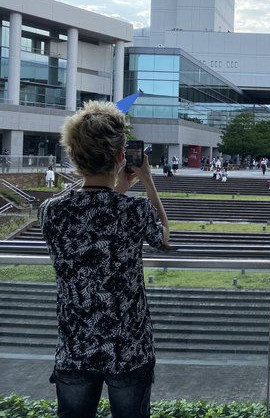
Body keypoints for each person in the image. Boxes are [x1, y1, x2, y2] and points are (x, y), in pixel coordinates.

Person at [38, 101, 171, 418]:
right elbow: (164, 236)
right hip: (129, 347)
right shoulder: (134, 210)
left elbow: (86, 207)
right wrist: (147, 180)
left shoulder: (50, 211)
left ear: (74, 155)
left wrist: (114, 185)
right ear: (122, 156)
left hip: (75, 345)